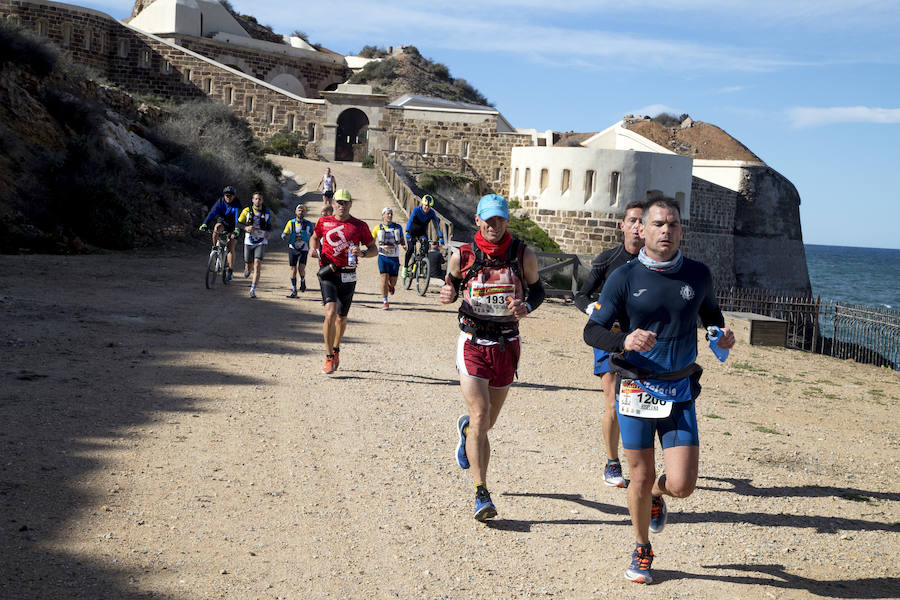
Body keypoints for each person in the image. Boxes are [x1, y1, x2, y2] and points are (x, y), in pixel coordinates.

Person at [583, 197, 735, 584]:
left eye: (673, 224)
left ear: (681, 230)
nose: (666, 231)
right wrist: (625, 340)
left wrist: (723, 335)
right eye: (658, 224)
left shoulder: (698, 275)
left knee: (682, 485)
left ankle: (655, 497)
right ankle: (641, 547)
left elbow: (712, 319)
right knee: (639, 474)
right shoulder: (625, 277)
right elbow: (592, 330)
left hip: (679, 389)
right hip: (634, 386)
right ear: (643, 230)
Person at [440, 194, 545, 521]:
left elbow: (538, 291)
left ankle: (466, 431)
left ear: (506, 221)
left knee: (486, 424)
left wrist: (526, 307)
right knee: (482, 415)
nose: (493, 226)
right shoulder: (464, 254)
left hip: (506, 344)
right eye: (488, 219)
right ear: (477, 220)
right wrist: (448, 293)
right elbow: (452, 284)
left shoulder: (522, 254)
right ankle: (480, 493)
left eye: (500, 219)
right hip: (472, 341)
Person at [573, 200, 645, 488]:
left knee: (640, 400)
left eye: (643, 221)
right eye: (633, 221)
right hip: (609, 337)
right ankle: (612, 463)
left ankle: (641, 458)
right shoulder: (607, 259)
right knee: (613, 401)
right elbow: (581, 294)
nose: (638, 226)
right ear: (623, 226)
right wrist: (593, 311)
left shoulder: (656, 263)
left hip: (640, 339)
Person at [310, 189, 377, 374]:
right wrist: (312, 249)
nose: (341, 205)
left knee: (342, 317)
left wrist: (362, 253)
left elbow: (374, 249)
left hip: (348, 274)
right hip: (328, 272)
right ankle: (328, 356)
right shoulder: (324, 222)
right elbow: (315, 238)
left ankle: (336, 349)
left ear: (350, 204)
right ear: (333, 203)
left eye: (345, 202)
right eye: (338, 202)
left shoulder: (359, 226)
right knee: (330, 313)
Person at [198, 185, 242, 280]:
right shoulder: (220, 202)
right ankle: (215, 248)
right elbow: (212, 213)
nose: (228, 197)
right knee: (216, 228)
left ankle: (230, 270)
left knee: (231, 246)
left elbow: (238, 219)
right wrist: (205, 224)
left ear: (234, 196)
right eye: (226, 195)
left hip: (234, 226)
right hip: (223, 223)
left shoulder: (237, 204)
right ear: (224, 195)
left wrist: (237, 230)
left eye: (230, 195)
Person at [237, 192, 273, 299]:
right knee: (248, 264)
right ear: (252, 200)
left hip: (261, 241)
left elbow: (269, 225)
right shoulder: (246, 211)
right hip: (249, 241)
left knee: (257, 263)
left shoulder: (266, 212)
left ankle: (253, 289)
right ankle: (247, 269)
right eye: (256, 199)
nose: (258, 201)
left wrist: (268, 232)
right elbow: (238, 223)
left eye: (260, 199)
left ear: (262, 201)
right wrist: (245, 228)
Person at [372, 206, 406, 310]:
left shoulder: (398, 227)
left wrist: (403, 245)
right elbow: (371, 242)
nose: (390, 215)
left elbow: (401, 239)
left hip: (394, 258)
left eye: (391, 214)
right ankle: (385, 301)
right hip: (383, 257)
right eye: (388, 213)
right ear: (383, 215)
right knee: (384, 278)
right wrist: (370, 249)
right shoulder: (377, 228)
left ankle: (390, 287)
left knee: (393, 281)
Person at [402, 194, 444, 278]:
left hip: (422, 233)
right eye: (425, 205)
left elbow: (436, 225)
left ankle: (420, 268)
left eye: (429, 206)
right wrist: (407, 232)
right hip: (412, 232)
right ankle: (405, 268)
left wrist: (440, 237)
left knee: (425, 248)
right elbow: (410, 221)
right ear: (422, 204)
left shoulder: (432, 213)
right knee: (410, 249)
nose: (427, 208)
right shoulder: (416, 210)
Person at [281, 203, 315, 297]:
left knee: (301, 268)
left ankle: (303, 280)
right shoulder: (290, 223)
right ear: (296, 212)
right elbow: (284, 233)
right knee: (292, 269)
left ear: (305, 213)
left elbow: (313, 236)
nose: (301, 212)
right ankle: (294, 290)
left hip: (304, 249)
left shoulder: (308, 224)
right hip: (292, 248)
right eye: (299, 210)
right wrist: (285, 237)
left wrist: (312, 246)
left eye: (303, 210)